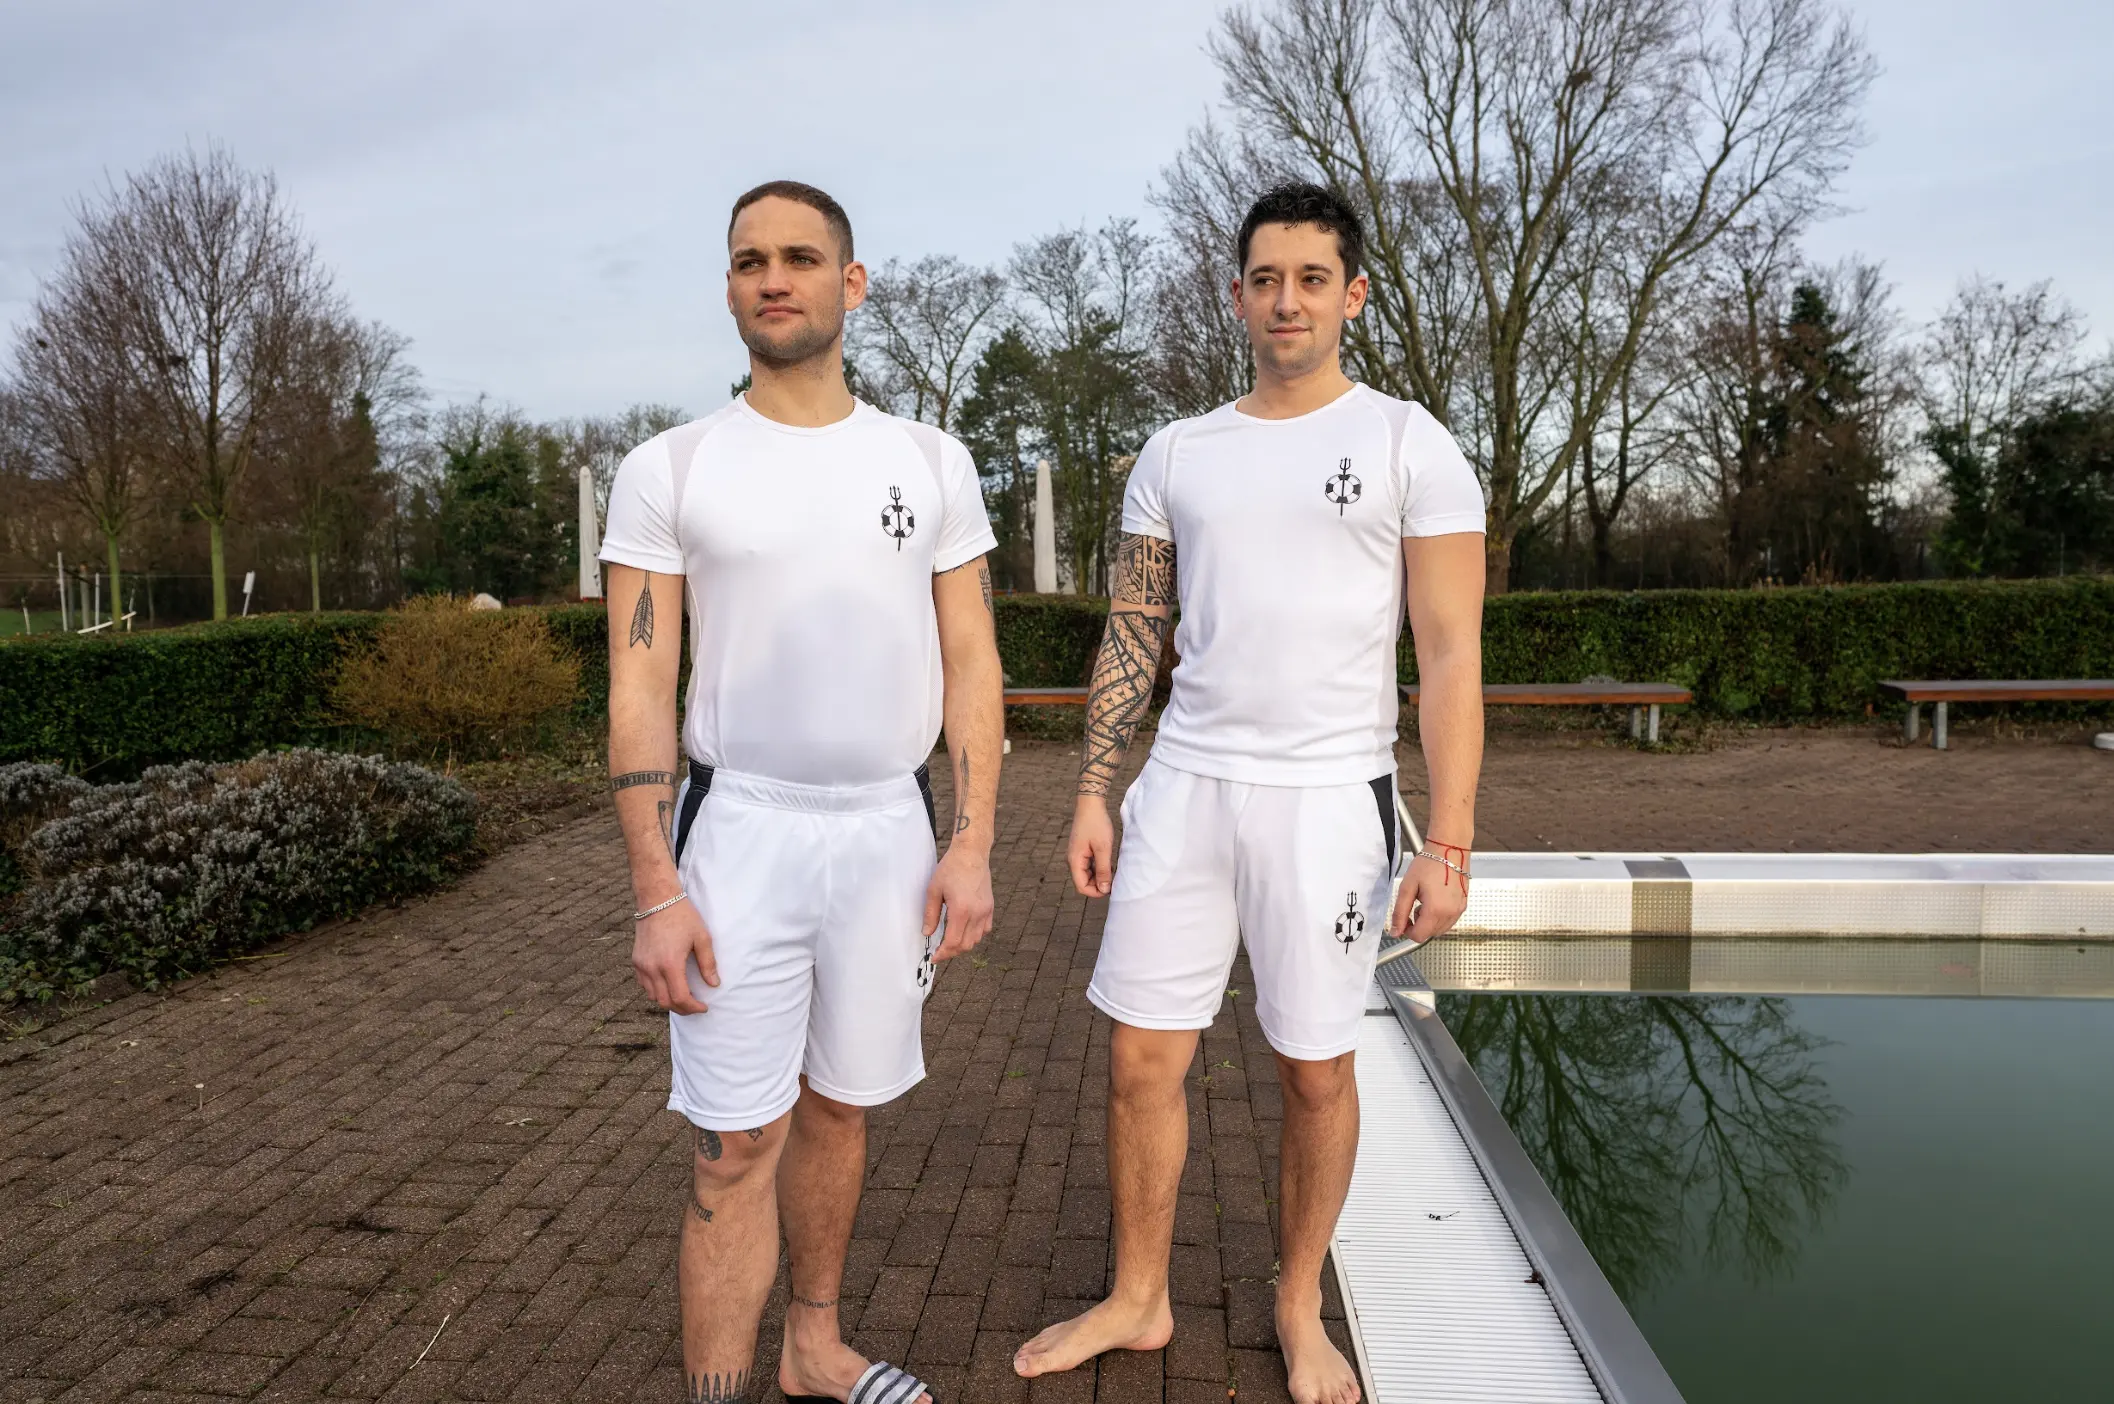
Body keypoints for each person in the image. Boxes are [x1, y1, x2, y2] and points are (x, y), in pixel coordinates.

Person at [1013, 182, 1487, 1404]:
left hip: (1330, 798)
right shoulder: (1176, 452)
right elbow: (1133, 629)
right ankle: (1137, 1297)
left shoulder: (1407, 444)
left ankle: (1295, 1305)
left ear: (1352, 295)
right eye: (1264, 279)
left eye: (1311, 278)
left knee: (1314, 1069)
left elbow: (1446, 657)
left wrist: (1449, 839)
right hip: (1182, 791)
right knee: (1137, 1062)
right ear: (1236, 295)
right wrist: (1092, 789)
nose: (1286, 299)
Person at [600, 180, 1002, 1404]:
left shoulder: (928, 461)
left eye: (799, 257)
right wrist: (654, 887)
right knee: (734, 1151)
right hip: (740, 834)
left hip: (888, 829)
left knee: (839, 1110)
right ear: (728, 288)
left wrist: (972, 841)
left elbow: (974, 659)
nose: (772, 277)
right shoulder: (671, 467)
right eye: (748, 260)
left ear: (851, 283)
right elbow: (636, 686)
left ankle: (812, 1346)